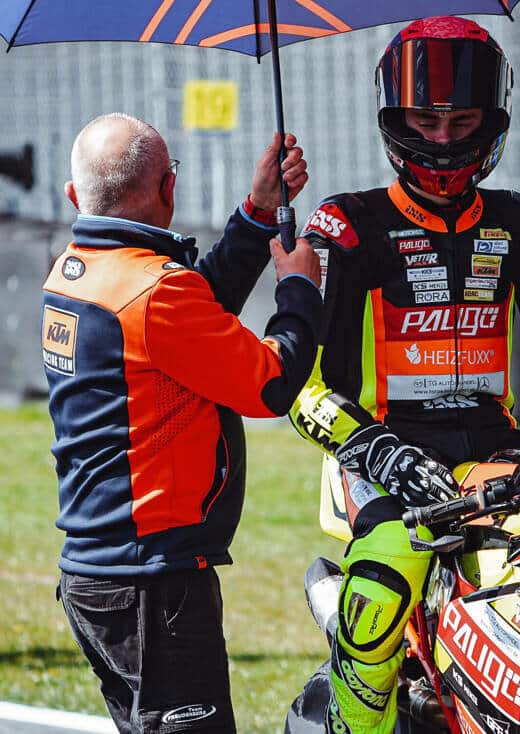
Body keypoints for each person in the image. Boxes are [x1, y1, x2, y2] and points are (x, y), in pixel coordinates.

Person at [288, 16, 520, 733]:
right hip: (381, 453)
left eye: (462, 121)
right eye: (426, 120)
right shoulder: (347, 227)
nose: (444, 140)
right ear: (395, 120)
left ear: (493, 119)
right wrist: (379, 453)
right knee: (381, 591)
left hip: (496, 450)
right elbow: (302, 387)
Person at [43, 112, 323, 733]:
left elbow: (194, 310)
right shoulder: (154, 292)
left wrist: (258, 211)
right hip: (151, 584)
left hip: (99, 576)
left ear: (73, 196)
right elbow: (271, 383)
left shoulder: (76, 271)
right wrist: (300, 290)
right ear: (168, 187)